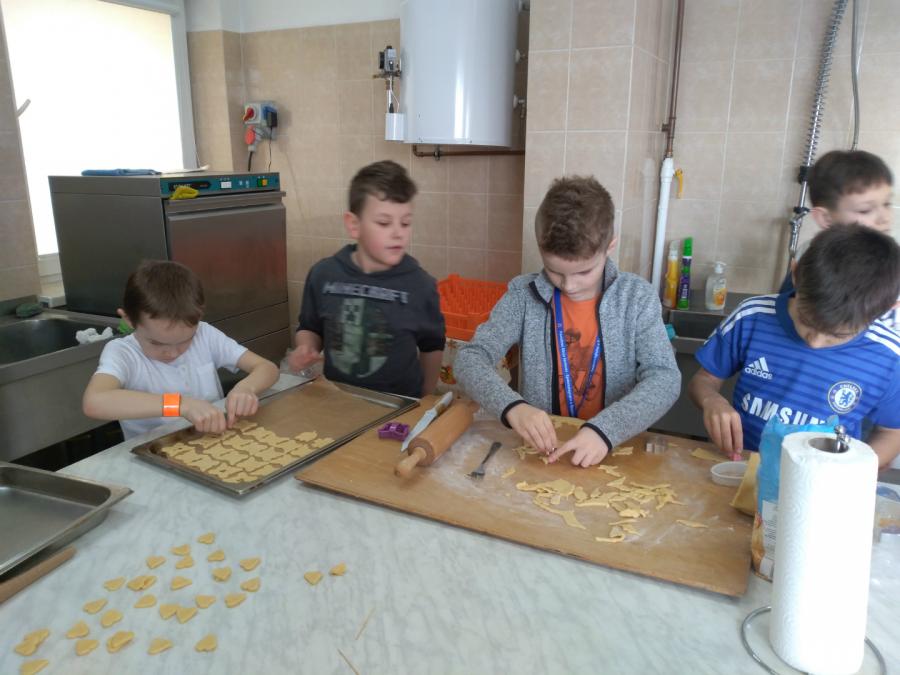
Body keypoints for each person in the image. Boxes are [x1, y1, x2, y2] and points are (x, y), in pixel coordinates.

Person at [454, 176, 680, 467]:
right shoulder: (523, 295)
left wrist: (606, 430)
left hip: (613, 447)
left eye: (584, 272)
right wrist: (512, 407)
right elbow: (470, 358)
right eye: (554, 271)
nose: (569, 285)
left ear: (610, 247)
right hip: (542, 453)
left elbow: (665, 378)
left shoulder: (636, 297)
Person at [689, 224, 900, 469]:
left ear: (887, 309)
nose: (814, 341)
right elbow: (703, 380)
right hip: (743, 467)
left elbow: (892, 433)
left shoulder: (889, 356)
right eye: (806, 320)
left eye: (837, 335)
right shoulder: (753, 316)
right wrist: (712, 401)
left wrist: (853, 473)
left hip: (823, 480)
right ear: (795, 274)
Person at [287, 160, 445, 397]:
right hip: (338, 399)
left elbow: (432, 347)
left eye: (405, 223)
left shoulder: (421, 286)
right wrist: (306, 347)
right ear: (354, 225)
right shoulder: (323, 275)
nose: (398, 233)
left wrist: (425, 396)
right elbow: (310, 328)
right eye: (384, 223)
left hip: (401, 406)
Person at [83, 260, 279, 439]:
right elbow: (94, 402)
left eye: (186, 340)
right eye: (157, 343)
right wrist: (179, 405)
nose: (174, 353)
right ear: (129, 320)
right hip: (156, 452)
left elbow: (267, 368)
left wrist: (246, 388)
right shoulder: (123, 353)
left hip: (213, 439)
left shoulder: (205, 335)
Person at [782, 149, 897, 331]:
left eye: (887, 204)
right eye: (865, 210)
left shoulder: (893, 261)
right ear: (826, 218)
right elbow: (788, 308)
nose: (884, 218)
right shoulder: (812, 258)